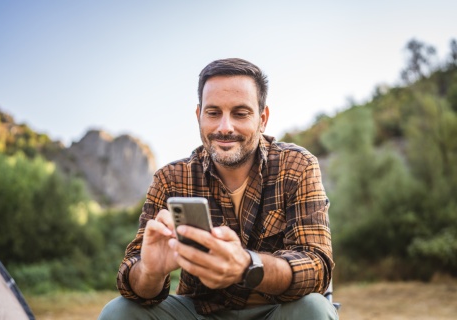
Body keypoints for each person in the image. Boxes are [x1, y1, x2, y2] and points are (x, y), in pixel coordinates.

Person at [98, 58, 338, 319]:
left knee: (314, 308)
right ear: (199, 116)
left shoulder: (297, 165)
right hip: (200, 311)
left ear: (262, 118)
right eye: (213, 113)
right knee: (118, 312)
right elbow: (131, 277)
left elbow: (317, 267)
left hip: (278, 310)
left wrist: (247, 265)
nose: (225, 127)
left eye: (240, 113)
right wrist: (150, 272)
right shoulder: (171, 178)